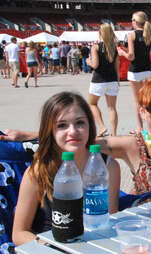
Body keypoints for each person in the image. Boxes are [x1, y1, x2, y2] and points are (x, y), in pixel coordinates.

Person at [12, 91, 120, 246]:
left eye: (80, 122)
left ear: (90, 125)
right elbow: (19, 234)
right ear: (50, 131)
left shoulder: (109, 167)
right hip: (50, 246)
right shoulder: (38, 172)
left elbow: (109, 220)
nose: (73, 131)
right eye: (62, 125)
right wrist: (52, 246)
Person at [118, 11, 151, 130]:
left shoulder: (131, 34)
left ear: (136, 21)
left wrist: (122, 52)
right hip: (147, 69)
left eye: (132, 19)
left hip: (136, 70)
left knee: (137, 101)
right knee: (148, 99)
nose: (131, 21)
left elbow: (131, 56)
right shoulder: (148, 34)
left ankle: (140, 127)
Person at [86, 23, 120, 137]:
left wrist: (88, 62)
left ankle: (102, 126)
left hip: (99, 80)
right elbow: (117, 66)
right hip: (112, 80)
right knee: (112, 108)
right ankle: (114, 133)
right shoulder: (114, 48)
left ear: (100, 33)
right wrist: (118, 81)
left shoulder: (96, 47)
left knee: (92, 103)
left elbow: (95, 65)